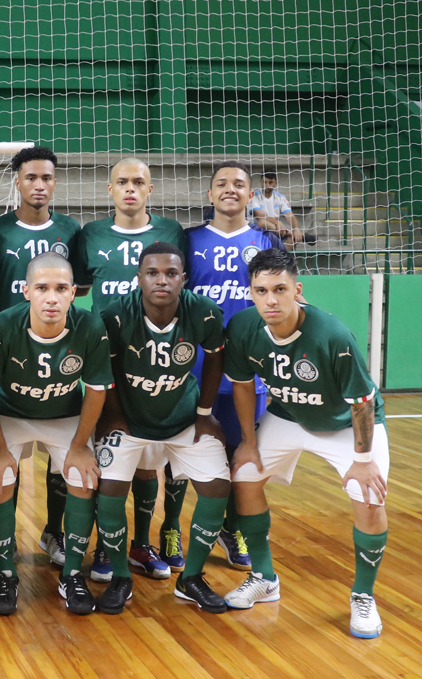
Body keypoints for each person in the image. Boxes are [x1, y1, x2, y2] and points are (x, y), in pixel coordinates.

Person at [221, 248, 390, 639]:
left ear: (298, 289)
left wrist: (363, 460)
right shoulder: (244, 328)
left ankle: (363, 596)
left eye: (280, 289)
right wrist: (248, 441)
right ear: (250, 293)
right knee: (245, 475)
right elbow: (244, 386)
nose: (271, 299)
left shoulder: (331, 335)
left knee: (369, 499)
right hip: (290, 414)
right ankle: (264, 577)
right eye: (261, 291)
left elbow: (361, 402)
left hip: (347, 423)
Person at [95, 242, 231, 615]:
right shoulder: (116, 315)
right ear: (138, 278)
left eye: (171, 273)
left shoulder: (201, 311)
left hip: (182, 418)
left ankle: (192, 578)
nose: (161, 280)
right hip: (132, 419)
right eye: (152, 273)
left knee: (217, 485)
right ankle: (121, 575)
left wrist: (205, 413)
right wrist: (113, 414)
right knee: (108, 488)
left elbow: (216, 357)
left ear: (183, 279)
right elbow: (103, 370)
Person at [72, 158, 188, 583]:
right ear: (109, 189)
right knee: (110, 458)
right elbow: (81, 289)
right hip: (108, 362)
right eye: (122, 182)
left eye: (139, 182)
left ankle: (145, 541)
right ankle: (108, 543)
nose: (130, 189)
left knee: (152, 460)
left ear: (150, 188)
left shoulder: (172, 233)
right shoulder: (91, 235)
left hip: (160, 361)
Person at [0, 252, 113, 616]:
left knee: (84, 479)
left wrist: (81, 445)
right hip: (11, 413)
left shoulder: (89, 326)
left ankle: (72, 574)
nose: (51, 298)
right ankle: (6, 570)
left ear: (73, 292)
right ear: (26, 291)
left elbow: (97, 389)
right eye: (42, 288)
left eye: (60, 289)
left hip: (64, 414)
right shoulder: (4, 326)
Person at [179, 161, 284, 572]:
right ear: (209, 195)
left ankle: (233, 528)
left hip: (247, 373)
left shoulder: (267, 242)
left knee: (244, 457)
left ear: (250, 194)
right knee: (187, 462)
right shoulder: (188, 240)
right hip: (194, 371)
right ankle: (175, 531)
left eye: (239, 184)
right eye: (221, 184)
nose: (230, 189)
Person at [0, 146, 85, 571]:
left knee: (61, 456)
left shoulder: (71, 229)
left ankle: (54, 532)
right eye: (31, 178)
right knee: (4, 458)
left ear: (54, 182)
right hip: (10, 353)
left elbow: (76, 292)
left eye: (46, 178)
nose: (39, 185)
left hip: (55, 352)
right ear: (17, 181)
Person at [249, 170, 307, 251]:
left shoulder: (280, 197)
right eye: (265, 182)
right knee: (262, 222)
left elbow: (290, 216)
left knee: (291, 239)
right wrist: (278, 223)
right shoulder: (254, 196)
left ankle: (284, 261)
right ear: (261, 182)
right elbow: (259, 216)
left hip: (276, 231)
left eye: (270, 182)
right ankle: (293, 233)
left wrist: (296, 229)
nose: (267, 185)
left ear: (275, 183)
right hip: (258, 231)